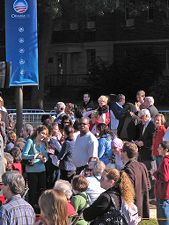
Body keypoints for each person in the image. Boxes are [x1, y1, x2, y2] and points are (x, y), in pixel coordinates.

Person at [22, 125, 48, 211]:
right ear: (37, 132)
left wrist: (45, 159)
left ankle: (41, 208)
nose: (44, 135)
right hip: (32, 170)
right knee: (32, 191)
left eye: (45, 134)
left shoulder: (44, 143)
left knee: (42, 190)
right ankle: (32, 208)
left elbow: (46, 156)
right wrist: (35, 156)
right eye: (42, 133)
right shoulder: (30, 141)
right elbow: (23, 155)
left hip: (42, 169)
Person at [121, 142, 151, 218]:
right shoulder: (142, 166)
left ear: (125, 153)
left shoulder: (127, 169)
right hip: (143, 208)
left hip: (133, 210)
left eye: (122, 151)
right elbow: (148, 186)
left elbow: (126, 191)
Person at [154, 141, 169, 225]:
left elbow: (165, 177)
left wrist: (155, 174)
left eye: (160, 148)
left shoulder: (165, 161)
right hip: (166, 193)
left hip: (163, 193)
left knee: (163, 218)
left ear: (165, 149)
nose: (158, 149)